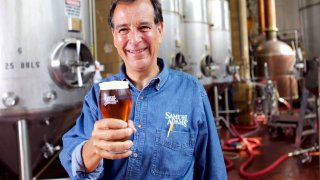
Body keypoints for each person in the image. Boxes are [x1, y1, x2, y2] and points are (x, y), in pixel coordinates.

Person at [59, 0, 227, 179]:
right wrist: (95, 146)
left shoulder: (191, 91)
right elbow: (72, 157)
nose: (135, 39)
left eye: (144, 27)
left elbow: (212, 169)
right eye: (123, 30)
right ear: (115, 38)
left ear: (160, 30)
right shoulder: (99, 93)